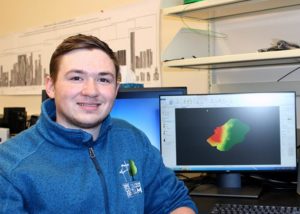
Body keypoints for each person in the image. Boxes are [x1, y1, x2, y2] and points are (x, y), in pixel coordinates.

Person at [0, 34, 198, 213]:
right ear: (51, 86)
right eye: (76, 78)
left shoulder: (132, 138)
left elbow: (174, 202)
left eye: (103, 79)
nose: (91, 91)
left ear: (116, 88)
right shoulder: (9, 165)